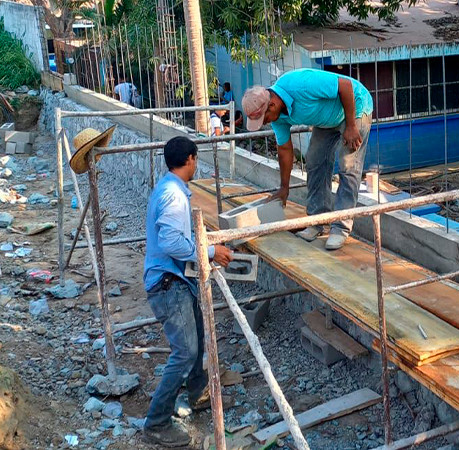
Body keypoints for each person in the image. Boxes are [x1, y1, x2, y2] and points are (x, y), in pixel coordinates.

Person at [141, 136, 233, 447]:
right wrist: (210, 251)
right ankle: (156, 422)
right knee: (185, 352)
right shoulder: (173, 196)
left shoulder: (169, 188)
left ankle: (198, 393)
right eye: (196, 160)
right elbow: (171, 243)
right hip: (168, 284)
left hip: (176, 279)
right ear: (191, 159)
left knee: (197, 338)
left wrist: (206, 247)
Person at [242, 68, 373, 250]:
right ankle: (317, 221)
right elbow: (285, 149)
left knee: (348, 166)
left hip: (354, 107)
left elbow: (345, 86)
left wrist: (351, 125)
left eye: (265, 119)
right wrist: (284, 188)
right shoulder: (278, 117)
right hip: (326, 119)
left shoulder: (300, 84)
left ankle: (340, 227)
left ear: (271, 105)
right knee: (314, 161)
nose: (266, 123)